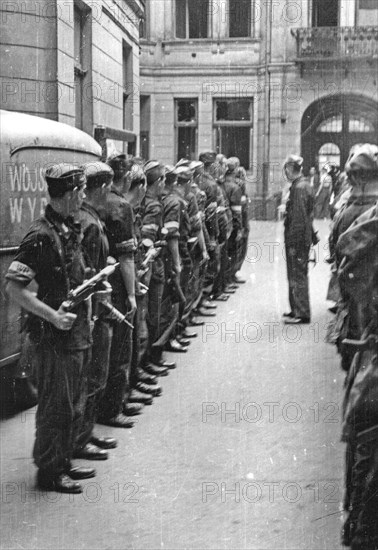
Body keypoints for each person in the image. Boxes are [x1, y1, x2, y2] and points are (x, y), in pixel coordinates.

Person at [5, 164, 95, 493]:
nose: (84, 196)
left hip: (75, 332)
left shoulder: (66, 228)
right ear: (70, 193)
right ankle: (50, 472)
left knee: (72, 401)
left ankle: (63, 460)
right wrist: (53, 317)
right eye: (81, 191)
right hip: (53, 337)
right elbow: (14, 290)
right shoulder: (41, 235)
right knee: (56, 406)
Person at [74, 161, 117, 460]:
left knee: (93, 376)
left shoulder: (89, 218)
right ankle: (80, 440)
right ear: (101, 188)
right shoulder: (89, 223)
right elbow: (86, 274)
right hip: (93, 312)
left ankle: (85, 434)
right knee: (92, 376)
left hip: (94, 308)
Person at [97, 152, 139, 427]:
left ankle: (108, 405)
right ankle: (114, 408)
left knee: (104, 350)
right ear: (125, 179)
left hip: (100, 283)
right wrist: (133, 293)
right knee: (121, 347)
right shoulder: (122, 206)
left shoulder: (99, 203)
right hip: (119, 287)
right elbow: (127, 258)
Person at [282, 154, 315, 324]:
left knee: (297, 274)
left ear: (289, 168)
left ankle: (301, 313)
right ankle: (296, 309)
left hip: (297, 240)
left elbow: (299, 219)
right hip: (300, 239)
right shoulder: (302, 185)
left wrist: (293, 243)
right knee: (296, 273)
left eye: (286, 168)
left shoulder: (299, 188)